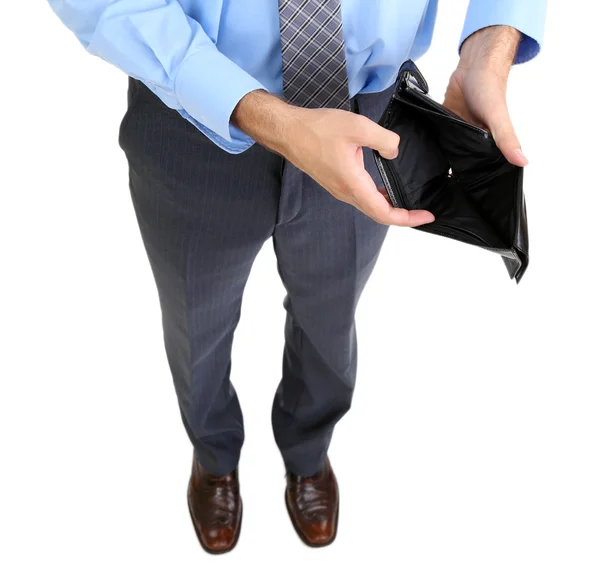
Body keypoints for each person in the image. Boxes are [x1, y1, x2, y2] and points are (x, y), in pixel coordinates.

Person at [48, 0, 546, 553]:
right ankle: (214, 457)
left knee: (331, 317)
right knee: (196, 323)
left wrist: (489, 45)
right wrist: (256, 111)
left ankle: (307, 454)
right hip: (192, 114)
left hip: (369, 117)